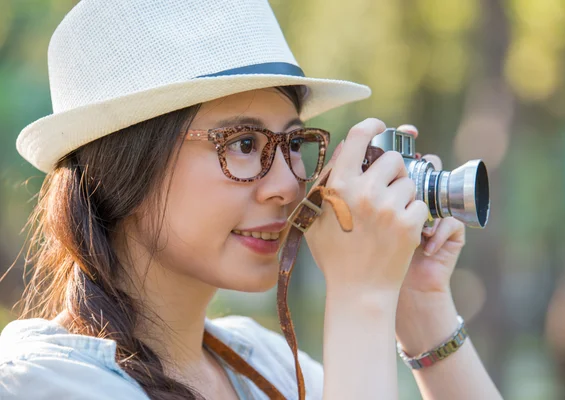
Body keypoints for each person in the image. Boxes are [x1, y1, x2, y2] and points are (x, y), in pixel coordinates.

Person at [0, 0, 503, 399]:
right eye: (243, 144)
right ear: (122, 171)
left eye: (292, 145)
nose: (288, 185)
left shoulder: (270, 365)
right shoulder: (43, 383)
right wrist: (361, 298)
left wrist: (421, 311)